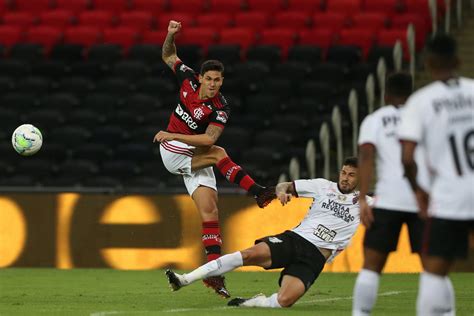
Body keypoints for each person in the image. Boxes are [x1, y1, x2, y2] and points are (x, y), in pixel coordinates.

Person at [153, 20, 275, 298]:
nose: (213, 85)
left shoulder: (220, 108)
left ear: (222, 81)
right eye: (209, 79)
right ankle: (258, 192)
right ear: (200, 78)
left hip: (192, 151)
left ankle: (214, 274)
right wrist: (170, 35)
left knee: (211, 212)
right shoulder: (186, 78)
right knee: (219, 155)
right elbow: (168, 55)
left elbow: (209, 139)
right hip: (172, 153)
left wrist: (172, 134)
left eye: (218, 80)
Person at [166, 157, 367, 308]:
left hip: (315, 258)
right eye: (343, 173)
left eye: (351, 175)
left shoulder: (366, 202)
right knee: (248, 254)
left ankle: (255, 302)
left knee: (285, 301)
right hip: (296, 240)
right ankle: (184, 279)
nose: (345, 178)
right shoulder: (323, 186)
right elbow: (285, 185)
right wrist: (281, 191)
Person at [398, 34, 474, 315]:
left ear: (428, 63)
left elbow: (407, 157)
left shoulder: (421, 101)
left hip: (448, 199)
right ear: (458, 61)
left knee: (434, 273)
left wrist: (418, 191)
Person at [352, 72, 428, 315]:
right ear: (412, 94)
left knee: (371, 267)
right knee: (433, 269)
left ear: (385, 94)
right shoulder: (424, 118)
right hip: (422, 201)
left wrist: (363, 198)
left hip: (387, 202)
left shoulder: (375, 119)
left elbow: (365, 157)